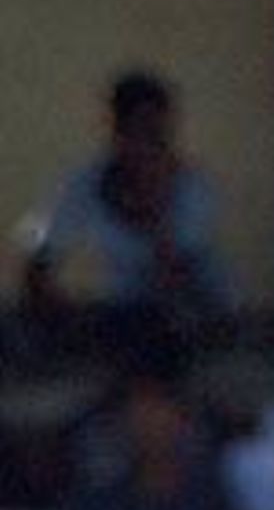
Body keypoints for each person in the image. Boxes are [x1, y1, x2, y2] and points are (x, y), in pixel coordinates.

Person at [20, 69, 235, 354]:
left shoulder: (194, 188)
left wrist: (153, 208)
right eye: (136, 130)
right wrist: (53, 304)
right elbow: (35, 247)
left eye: (157, 133)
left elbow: (178, 280)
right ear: (116, 132)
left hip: (197, 316)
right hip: (122, 315)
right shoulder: (81, 183)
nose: (146, 145)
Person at [67, 364, 245, 510]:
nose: (151, 427)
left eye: (159, 413)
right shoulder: (100, 507)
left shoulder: (211, 506)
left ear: (181, 421)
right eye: (141, 414)